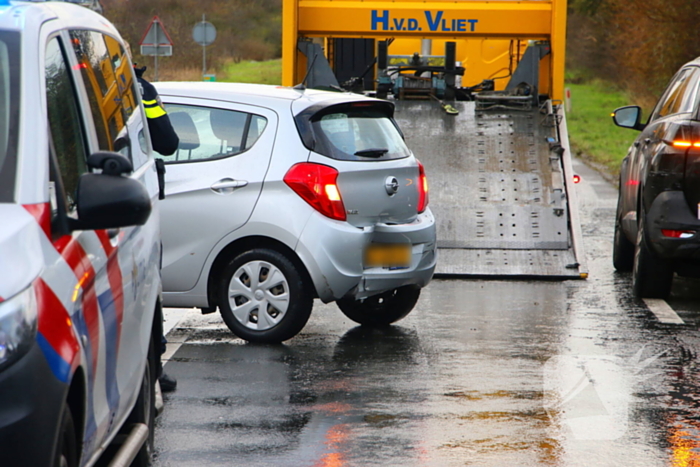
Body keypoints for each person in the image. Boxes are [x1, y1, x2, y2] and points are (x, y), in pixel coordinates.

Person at [134, 64, 180, 393]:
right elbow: (167, 142)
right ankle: (153, 364)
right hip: (133, 199)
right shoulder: (135, 87)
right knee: (147, 286)